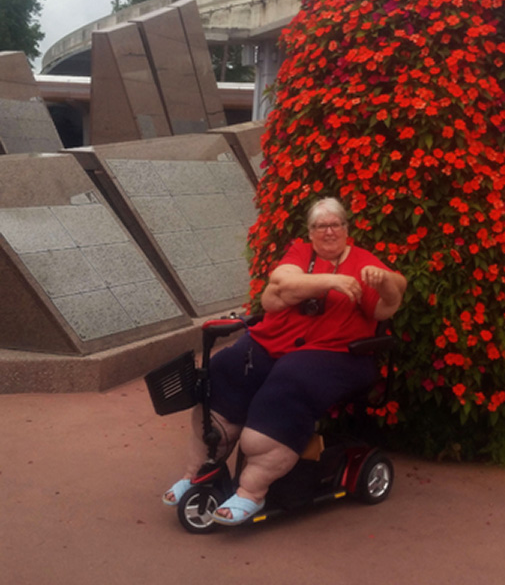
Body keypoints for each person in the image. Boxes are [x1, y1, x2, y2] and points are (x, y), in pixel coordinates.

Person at [163, 197, 407, 525]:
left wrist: (387, 283)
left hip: (335, 353)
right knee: (227, 366)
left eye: (336, 224)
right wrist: (331, 282)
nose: (329, 231)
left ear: (347, 229)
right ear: (310, 232)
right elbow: (280, 284)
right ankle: (197, 473)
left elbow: (389, 304)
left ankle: (251, 491)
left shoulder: (364, 263)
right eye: (321, 226)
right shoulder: (300, 254)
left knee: (289, 382)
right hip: (274, 342)